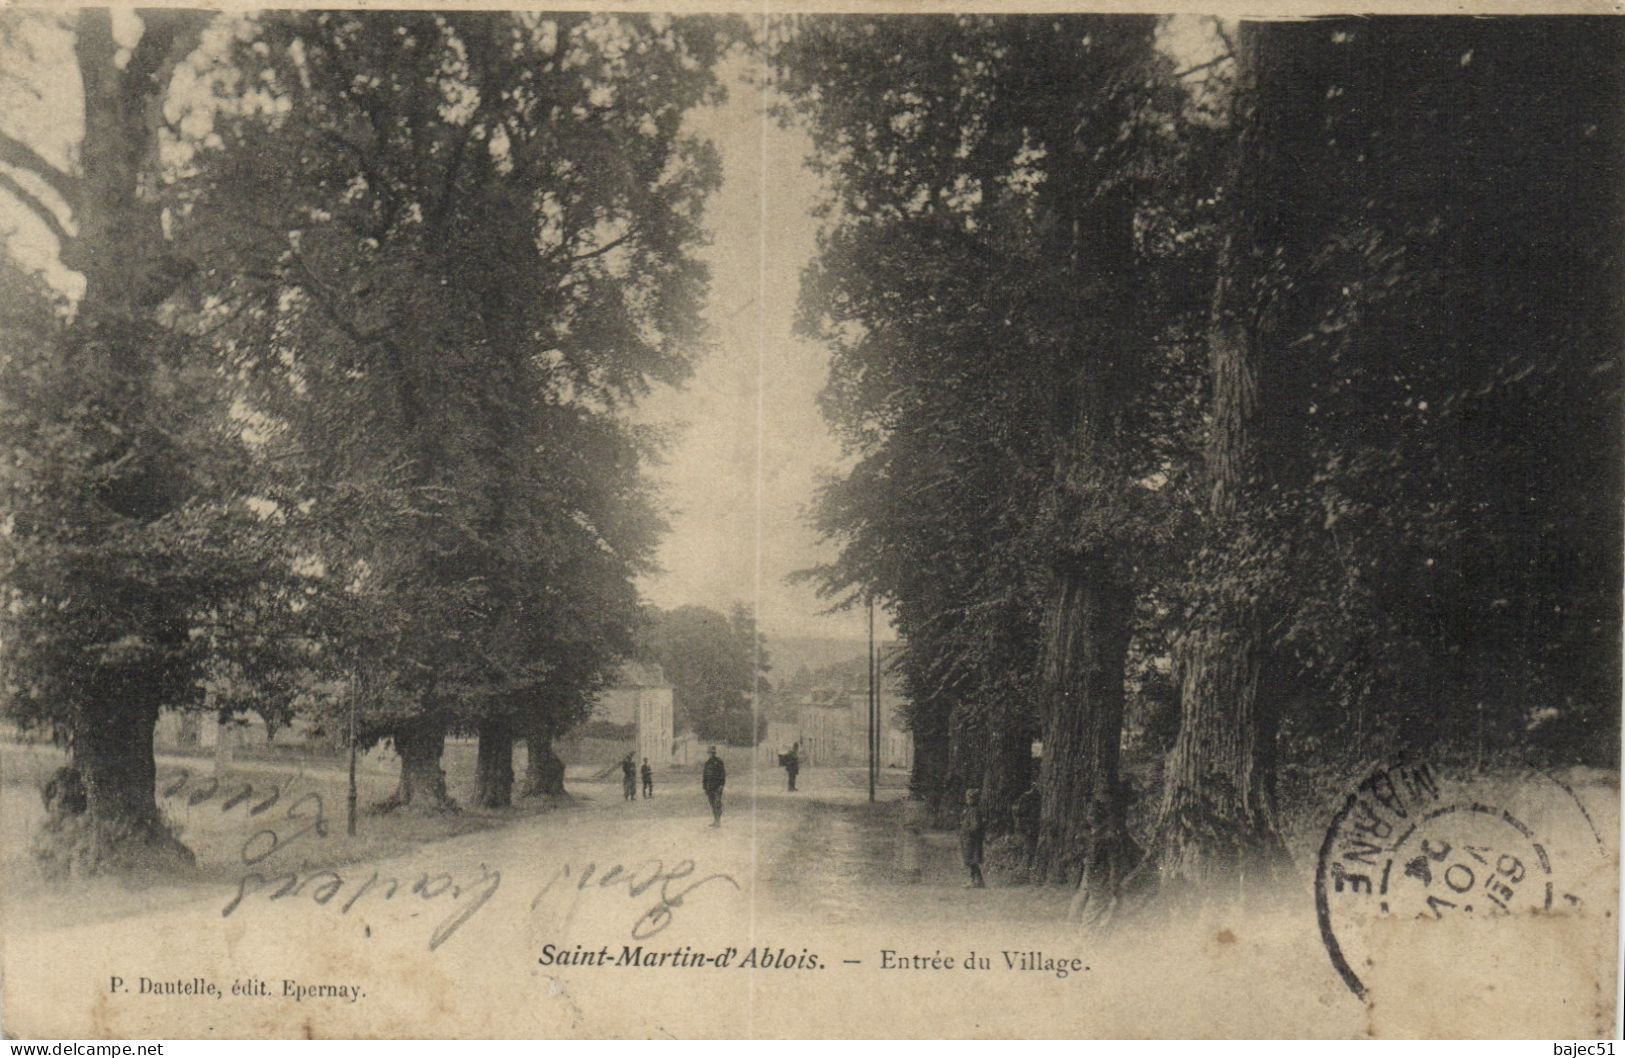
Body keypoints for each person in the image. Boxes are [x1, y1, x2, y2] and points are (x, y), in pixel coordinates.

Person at [960, 788, 986, 888]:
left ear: (973, 799)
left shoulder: (974, 811)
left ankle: (975, 881)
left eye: (969, 798)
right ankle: (977, 881)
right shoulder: (970, 810)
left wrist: (967, 831)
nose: (967, 800)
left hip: (971, 840)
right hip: (968, 840)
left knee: (972, 861)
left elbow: (976, 826)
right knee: (971, 861)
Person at [1012, 784, 1041, 870]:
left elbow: (1018, 812)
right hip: (1028, 824)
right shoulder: (1027, 798)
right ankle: (1026, 864)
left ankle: (1026, 864)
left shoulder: (1025, 797)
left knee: (1027, 844)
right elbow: (1020, 812)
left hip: (1028, 824)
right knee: (1028, 844)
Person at [701, 745, 726, 827]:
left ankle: (718, 821)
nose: (711, 754)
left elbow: (722, 774)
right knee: (712, 804)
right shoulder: (707, 763)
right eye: (709, 753)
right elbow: (705, 776)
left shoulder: (719, 762)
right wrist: (704, 787)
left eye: (712, 753)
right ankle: (715, 820)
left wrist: (722, 785)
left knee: (717, 803)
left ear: (714, 753)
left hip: (717, 786)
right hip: (709, 787)